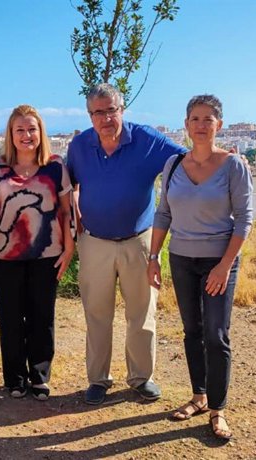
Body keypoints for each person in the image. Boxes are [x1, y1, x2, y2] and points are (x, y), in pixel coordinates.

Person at [66, 83, 186, 405]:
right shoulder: (78, 146)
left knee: (142, 313)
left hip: (139, 242)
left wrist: (225, 163)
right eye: (98, 112)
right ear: (89, 115)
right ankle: (98, 380)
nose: (106, 118)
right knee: (97, 314)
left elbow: (187, 161)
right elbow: (68, 183)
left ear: (122, 109)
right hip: (94, 243)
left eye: (111, 110)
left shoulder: (147, 140)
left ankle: (141, 378)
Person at [147, 95, 252, 441]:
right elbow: (163, 214)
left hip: (218, 262)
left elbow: (244, 221)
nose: (201, 125)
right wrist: (154, 257)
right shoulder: (174, 165)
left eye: (209, 119)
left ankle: (219, 409)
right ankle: (199, 396)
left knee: (215, 334)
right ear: (186, 124)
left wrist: (225, 265)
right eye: (195, 118)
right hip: (181, 258)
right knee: (192, 330)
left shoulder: (234, 166)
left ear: (219, 125)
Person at [0, 105, 75, 400]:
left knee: (41, 316)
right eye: (20, 130)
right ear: (11, 134)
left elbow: (66, 211)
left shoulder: (55, 166)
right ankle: (14, 378)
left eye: (32, 129)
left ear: (41, 133)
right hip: (4, 255)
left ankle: (39, 375)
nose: (26, 135)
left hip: (46, 254)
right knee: (9, 317)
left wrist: (69, 246)